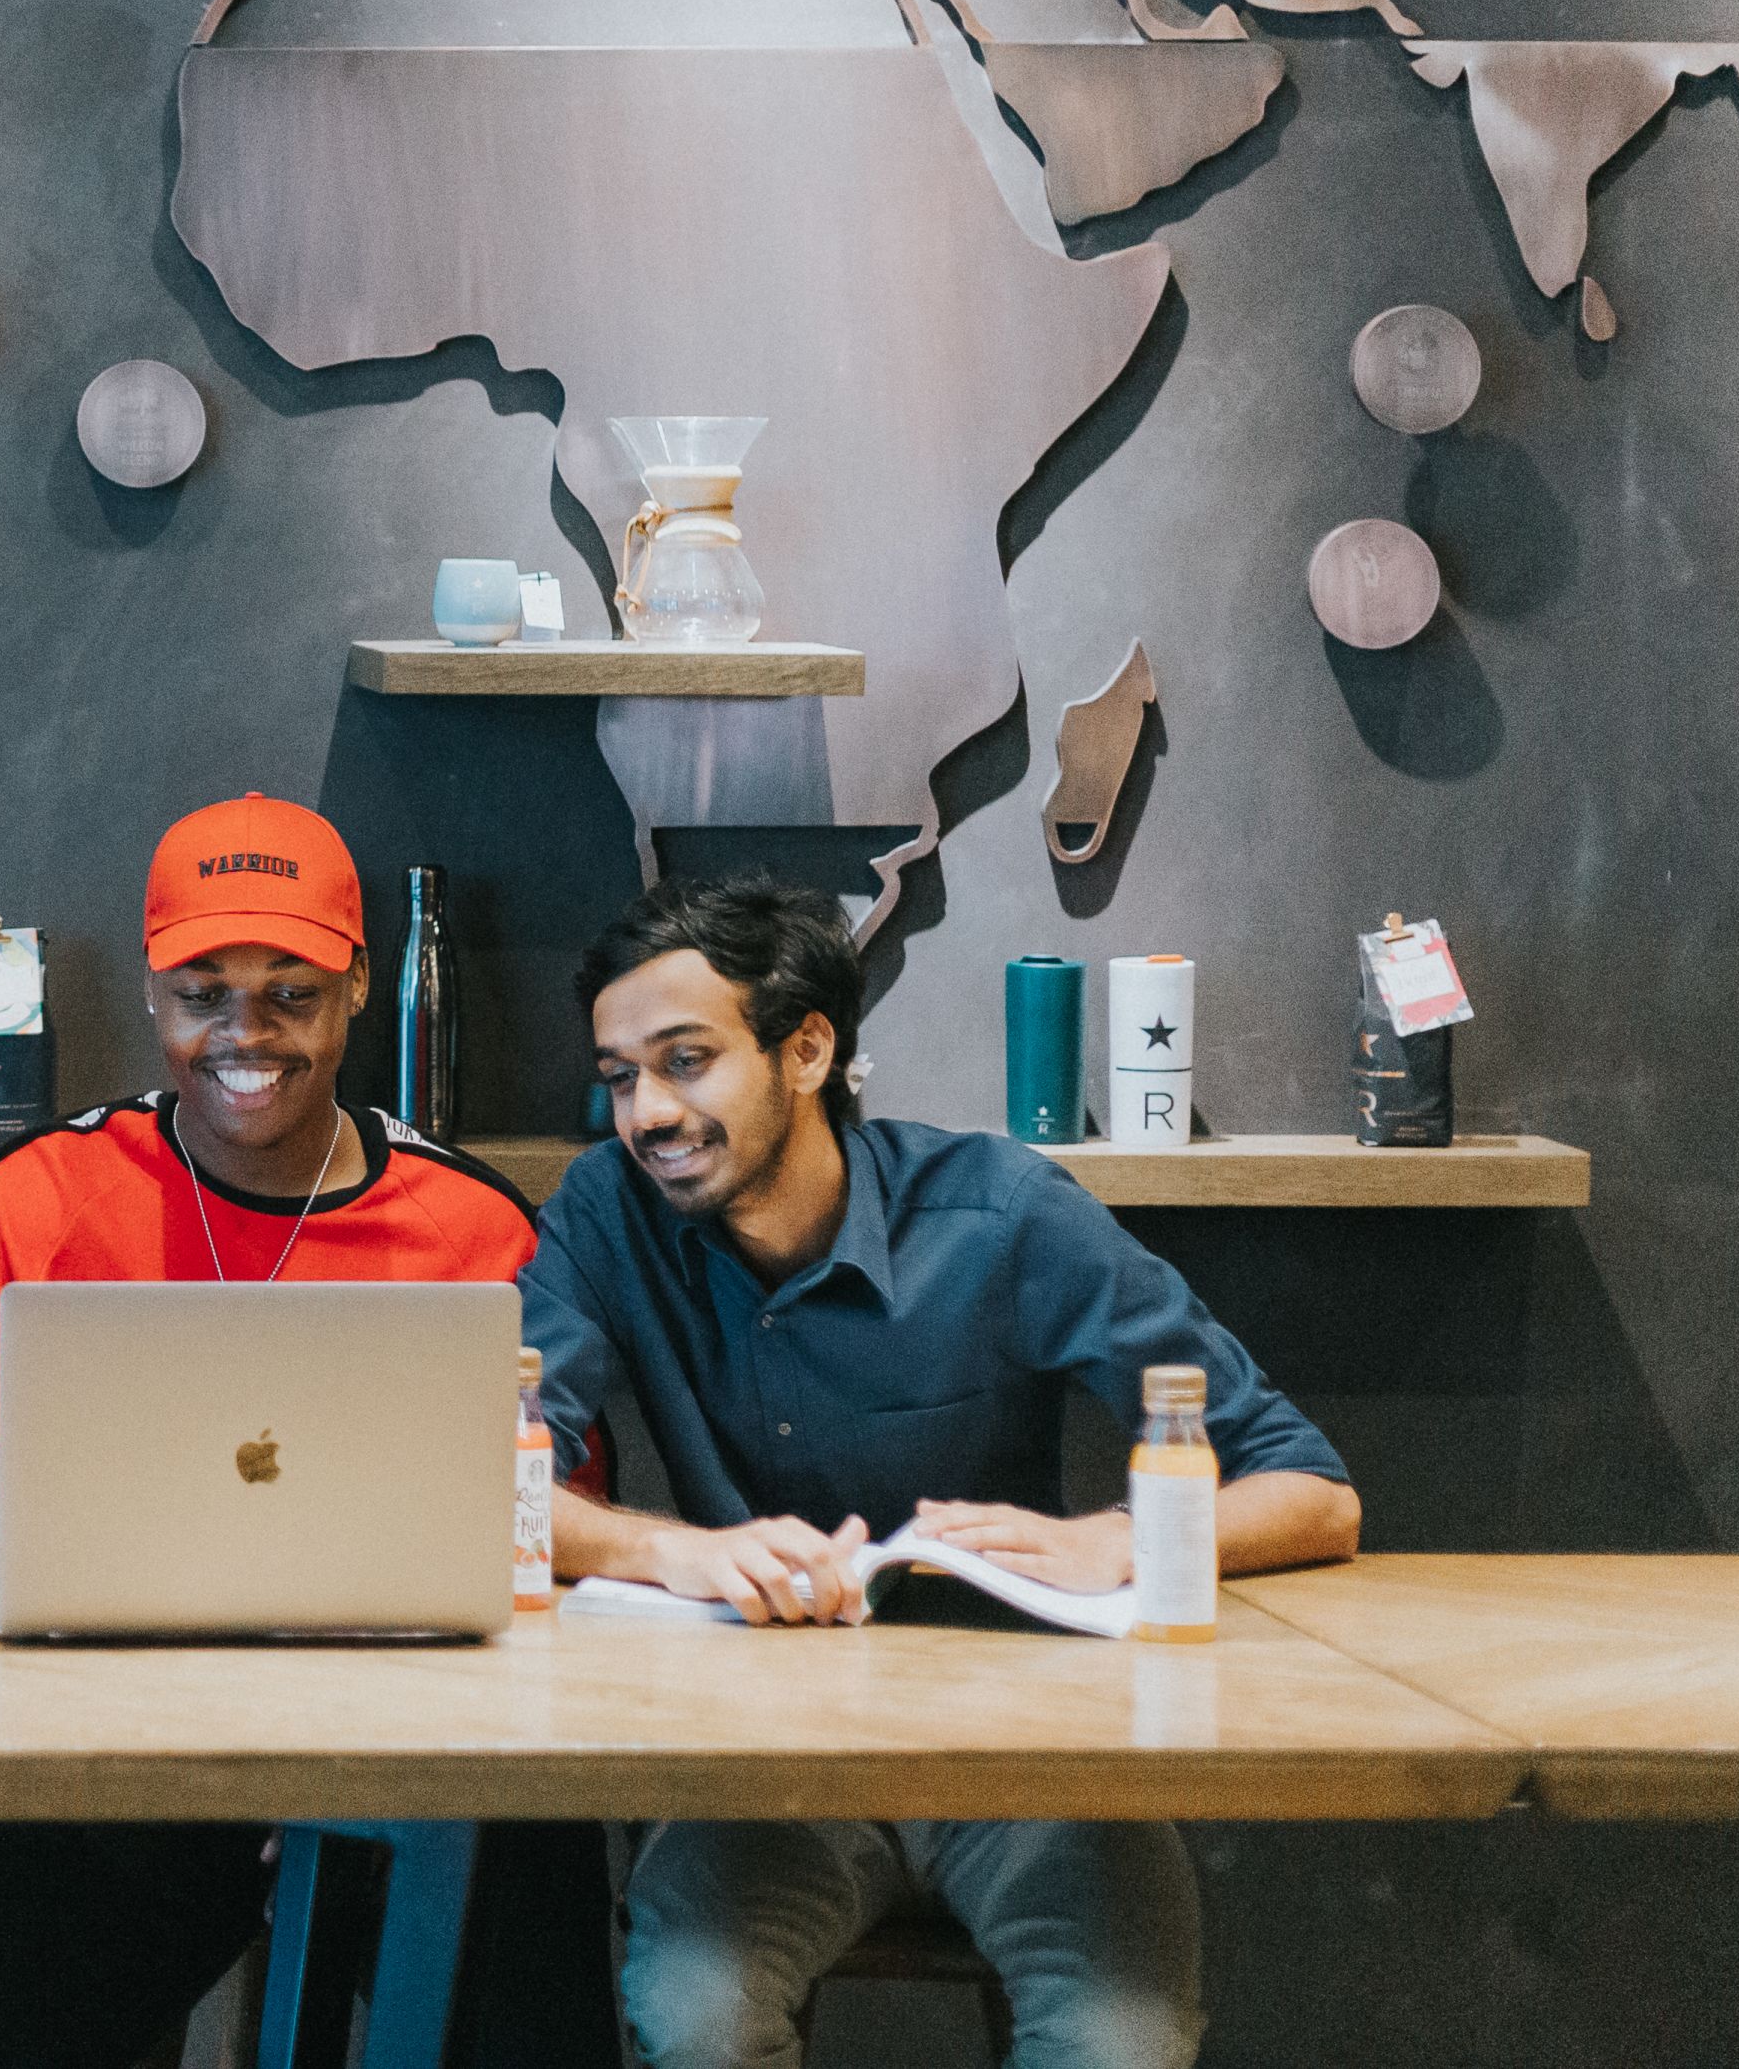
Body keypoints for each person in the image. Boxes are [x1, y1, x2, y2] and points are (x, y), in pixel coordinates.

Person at [526, 876, 1363, 2069]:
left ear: (806, 1050)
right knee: (691, 2017)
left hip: (1033, 1754)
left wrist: (1116, 1540)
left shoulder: (1002, 1212)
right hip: (764, 1762)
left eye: (685, 1061)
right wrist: (673, 1549)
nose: (646, 1112)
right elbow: (486, 1479)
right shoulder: (605, 1213)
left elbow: (1312, 1490)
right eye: (619, 1077)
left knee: (1118, 2043)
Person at [0, 793, 617, 2069]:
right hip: (110, 1757)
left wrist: (350, 1749)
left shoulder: (474, 1228)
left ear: (357, 987)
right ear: (151, 989)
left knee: (527, 1853)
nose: (244, 1032)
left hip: (410, 1740)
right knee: (34, 1938)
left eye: (290, 993)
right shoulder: (39, 1193)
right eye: (202, 993)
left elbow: (546, 1524)